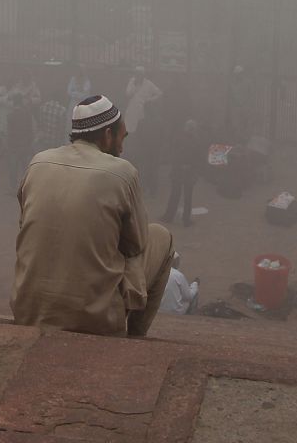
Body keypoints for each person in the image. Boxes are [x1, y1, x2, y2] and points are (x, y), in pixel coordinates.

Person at [12, 95, 175, 337]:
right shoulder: (123, 172)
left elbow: (25, 222)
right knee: (162, 237)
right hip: (95, 319)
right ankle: (135, 338)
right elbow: (137, 243)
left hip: (28, 312)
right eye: (122, 137)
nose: (122, 147)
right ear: (108, 135)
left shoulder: (38, 162)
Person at [162, 119, 204, 227]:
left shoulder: (181, 138)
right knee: (185, 196)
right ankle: (184, 219)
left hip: (181, 170)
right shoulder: (195, 140)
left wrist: (180, 165)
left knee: (177, 194)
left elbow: (175, 153)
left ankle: (170, 216)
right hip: (185, 170)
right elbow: (198, 157)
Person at [6, 94, 34, 189]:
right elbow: (30, 129)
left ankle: (12, 187)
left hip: (13, 144)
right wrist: (30, 142)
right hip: (25, 143)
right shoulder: (27, 114)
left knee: (13, 167)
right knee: (25, 167)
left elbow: (9, 132)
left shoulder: (10, 115)